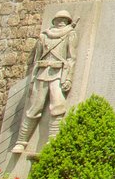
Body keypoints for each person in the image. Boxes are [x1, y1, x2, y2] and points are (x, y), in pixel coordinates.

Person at [11, 10, 78, 153]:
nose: (61, 22)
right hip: (41, 73)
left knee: (58, 107)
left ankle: (53, 140)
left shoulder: (70, 34)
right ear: (54, 20)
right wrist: (33, 78)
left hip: (57, 74)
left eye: (64, 20)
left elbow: (71, 58)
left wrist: (68, 78)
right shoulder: (44, 36)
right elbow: (36, 59)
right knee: (34, 108)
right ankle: (21, 141)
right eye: (59, 19)